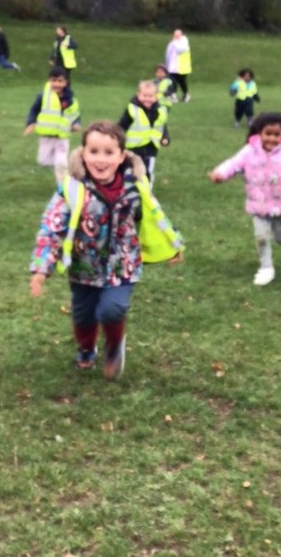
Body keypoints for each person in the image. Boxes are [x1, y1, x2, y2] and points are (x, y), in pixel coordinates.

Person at [29, 120, 183, 380]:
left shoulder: (135, 187)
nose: (101, 159)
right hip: (83, 266)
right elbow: (52, 226)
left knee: (112, 309)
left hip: (123, 265)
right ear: (83, 153)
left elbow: (155, 217)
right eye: (94, 151)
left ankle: (114, 347)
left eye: (109, 152)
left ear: (122, 156)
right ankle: (87, 347)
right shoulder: (72, 189)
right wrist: (41, 267)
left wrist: (172, 245)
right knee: (83, 314)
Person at [209, 111, 281, 286]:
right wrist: (220, 174)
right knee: (261, 236)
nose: (272, 139)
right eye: (268, 134)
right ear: (260, 133)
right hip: (259, 204)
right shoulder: (249, 151)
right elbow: (234, 163)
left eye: (276, 135)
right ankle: (266, 268)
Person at [23, 66, 81, 184]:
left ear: (65, 82)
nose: (57, 84)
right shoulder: (43, 96)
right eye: (54, 80)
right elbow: (34, 110)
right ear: (49, 81)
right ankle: (58, 167)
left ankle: (63, 185)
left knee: (61, 162)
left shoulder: (70, 100)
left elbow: (74, 114)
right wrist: (31, 123)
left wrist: (76, 123)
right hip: (46, 135)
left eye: (60, 81)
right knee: (43, 161)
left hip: (61, 136)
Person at [117, 80, 169, 185]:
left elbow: (162, 125)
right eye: (144, 95)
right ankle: (126, 188)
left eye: (150, 96)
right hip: (133, 147)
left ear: (156, 96)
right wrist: (116, 137)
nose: (147, 99)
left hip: (151, 147)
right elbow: (122, 124)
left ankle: (147, 190)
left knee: (147, 170)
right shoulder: (132, 109)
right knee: (129, 168)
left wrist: (165, 137)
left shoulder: (161, 110)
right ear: (138, 95)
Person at [164, 28, 192, 102]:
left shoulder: (184, 42)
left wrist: (175, 41)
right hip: (173, 67)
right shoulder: (172, 43)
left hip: (182, 68)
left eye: (178, 34)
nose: (176, 36)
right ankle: (173, 95)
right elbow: (168, 54)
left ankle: (186, 94)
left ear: (181, 34)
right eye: (175, 34)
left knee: (182, 81)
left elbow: (181, 49)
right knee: (173, 81)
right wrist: (167, 64)